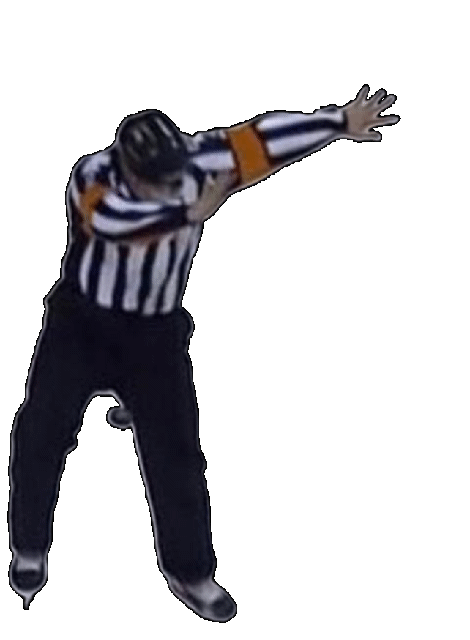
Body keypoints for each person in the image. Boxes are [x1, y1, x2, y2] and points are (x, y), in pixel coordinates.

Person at [9, 87, 398, 619]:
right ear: (128, 166)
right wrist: (189, 213)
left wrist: (336, 122)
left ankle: (190, 571)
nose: (171, 187)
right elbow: (112, 222)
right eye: (158, 182)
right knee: (40, 433)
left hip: (153, 335)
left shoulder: (198, 161)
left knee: (177, 454)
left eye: (175, 177)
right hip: (81, 326)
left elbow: (262, 140)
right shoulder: (93, 175)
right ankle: (29, 546)